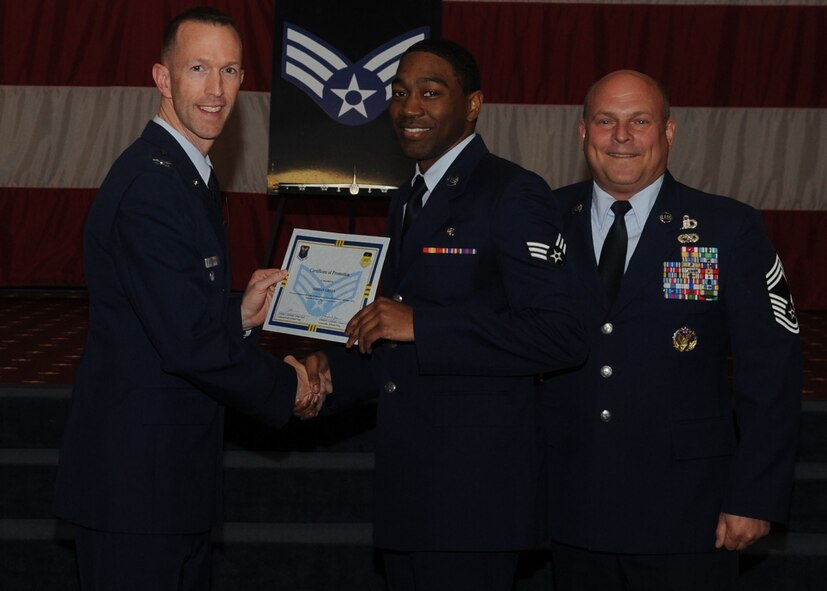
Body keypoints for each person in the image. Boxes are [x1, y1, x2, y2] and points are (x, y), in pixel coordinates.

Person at [299, 39, 587, 591]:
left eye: (431, 93)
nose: (410, 108)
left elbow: (562, 334)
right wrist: (333, 374)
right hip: (410, 487)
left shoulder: (512, 192)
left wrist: (422, 323)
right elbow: (395, 339)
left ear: (472, 105)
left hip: (474, 499)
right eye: (401, 93)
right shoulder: (409, 197)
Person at [53, 7, 313, 590]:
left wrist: (235, 314)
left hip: (165, 486)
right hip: (137, 493)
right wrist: (287, 387)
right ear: (162, 78)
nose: (216, 90)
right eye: (198, 68)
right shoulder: (154, 185)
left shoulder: (184, 173)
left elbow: (167, 316)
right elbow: (188, 346)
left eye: (230, 70)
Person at [540, 70, 802, 590]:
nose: (621, 137)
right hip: (569, 504)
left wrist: (753, 496)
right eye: (605, 121)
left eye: (640, 121)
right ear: (582, 132)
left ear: (669, 132)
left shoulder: (728, 227)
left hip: (687, 510)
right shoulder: (542, 219)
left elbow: (771, 370)